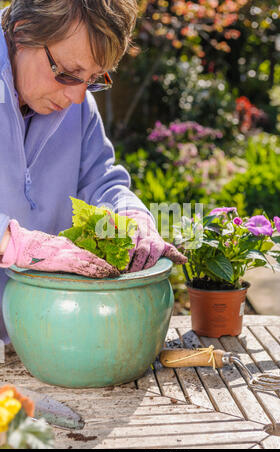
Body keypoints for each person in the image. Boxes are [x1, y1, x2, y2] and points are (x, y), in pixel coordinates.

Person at [0, 0, 187, 343]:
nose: (76, 96)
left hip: (38, 338)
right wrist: (10, 241)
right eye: (68, 73)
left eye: (93, 79)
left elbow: (100, 180)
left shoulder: (78, 106)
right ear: (21, 30)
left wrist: (128, 214)